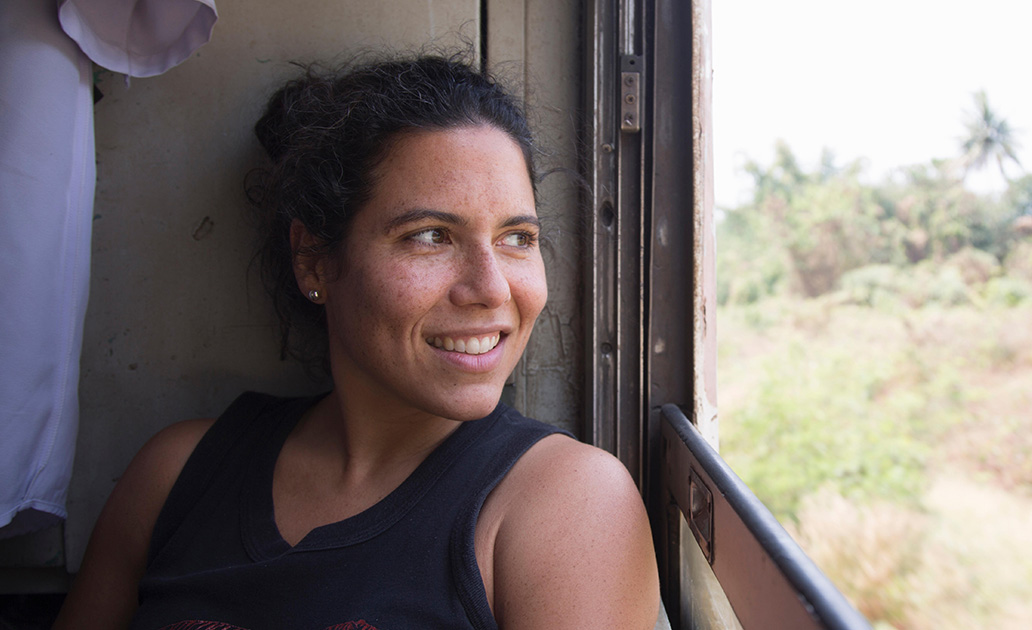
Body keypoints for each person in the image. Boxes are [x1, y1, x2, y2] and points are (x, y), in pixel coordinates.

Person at [53, 53, 660, 629]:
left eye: (517, 238)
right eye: (430, 236)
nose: (490, 287)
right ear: (313, 260)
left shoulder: (565, 506)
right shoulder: (176, 474)